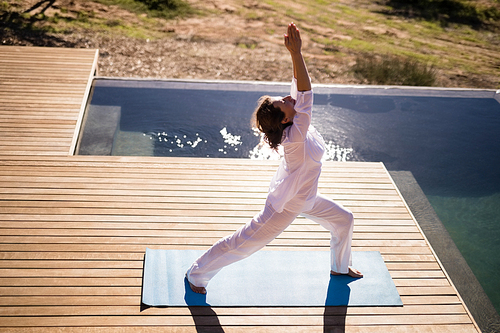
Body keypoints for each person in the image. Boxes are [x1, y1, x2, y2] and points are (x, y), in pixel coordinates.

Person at [186, 23, 362, 294]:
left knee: (344, 219)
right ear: (285, 118)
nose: (286, 97)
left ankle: (340, 266)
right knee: (245, 244)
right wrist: (297, 53)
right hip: (286, 206)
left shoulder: (293, 124)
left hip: (307, 197)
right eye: (283, 103)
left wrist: (294, 56)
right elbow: (306, 94)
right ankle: (196, 274)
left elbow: (298, 90)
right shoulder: (296, 137)